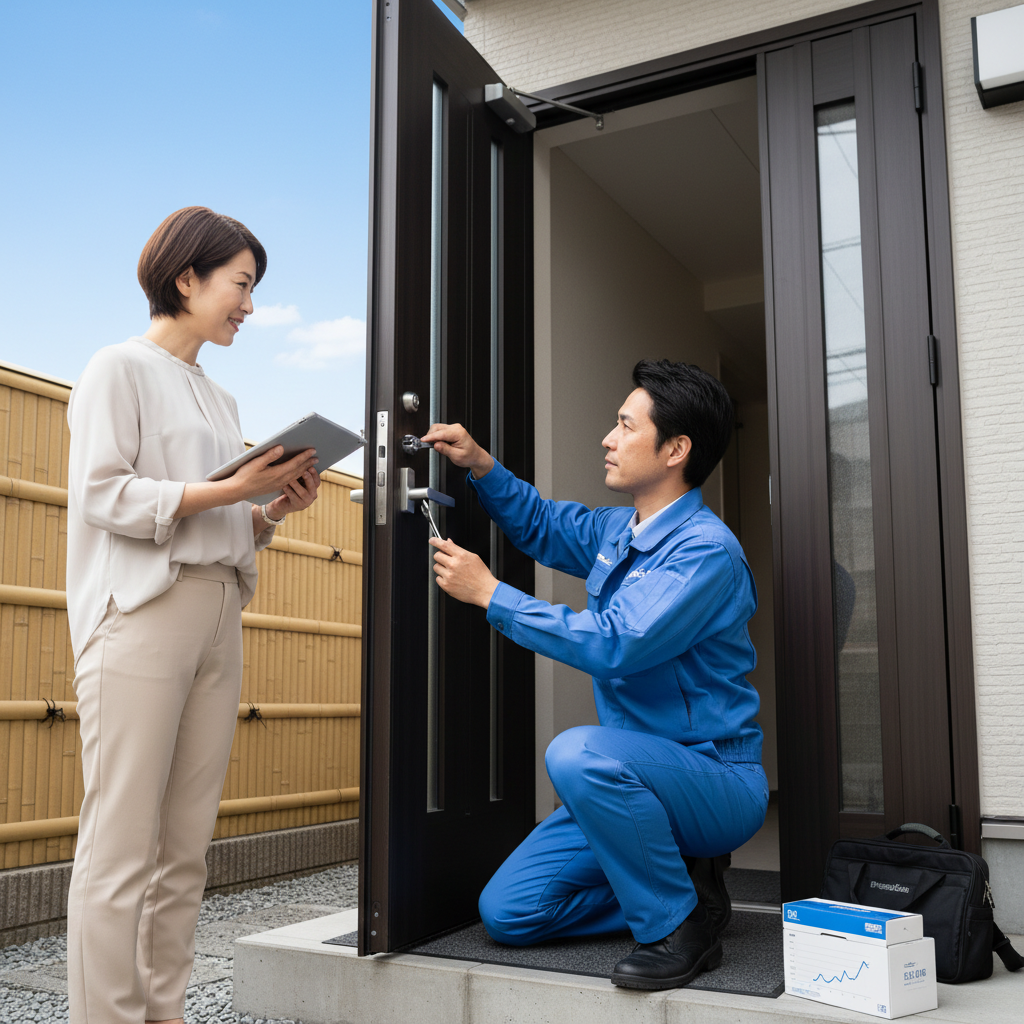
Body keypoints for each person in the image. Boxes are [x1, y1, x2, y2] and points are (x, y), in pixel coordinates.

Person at [421, 359, 768, 991]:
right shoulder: (618, 529)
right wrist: (480, 464)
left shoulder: (704, 551)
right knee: (510, 912)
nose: (608, 439)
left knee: (576, 752)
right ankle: (688, 889)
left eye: (625, 426)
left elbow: (617, 643)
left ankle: (677, 928)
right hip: (630, 779)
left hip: (714, 779)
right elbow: (542, 524)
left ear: (676, 450)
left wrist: (491, 594)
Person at [65, 207, 321, 1024]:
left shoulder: (220, 396)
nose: (250, 304)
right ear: (187, 278)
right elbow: (103, 493)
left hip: (217, 611)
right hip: (143, 612)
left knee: (184, 850)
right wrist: (232, 488)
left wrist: (269, 508)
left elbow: (218, 517)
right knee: (120, 846)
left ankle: (162, 1012)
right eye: (241, 284)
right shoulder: (118, 367)